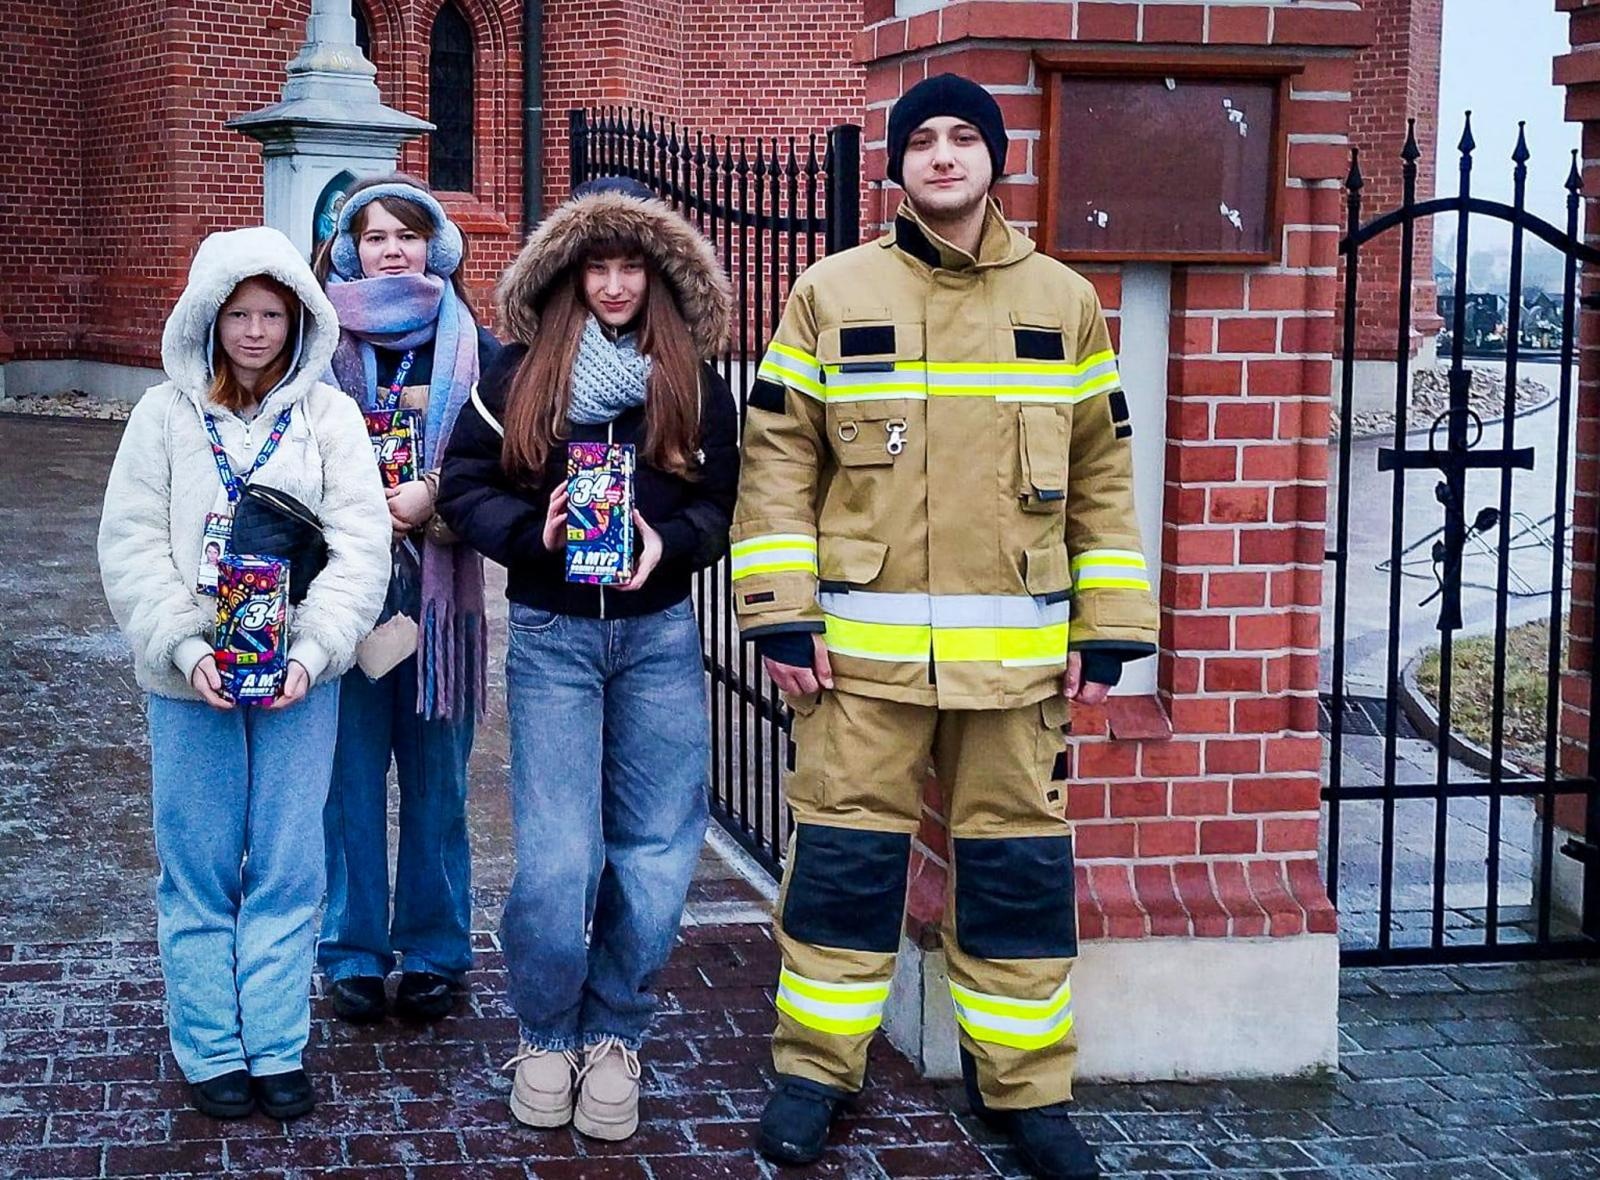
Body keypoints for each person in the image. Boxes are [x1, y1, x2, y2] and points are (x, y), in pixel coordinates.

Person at [731, 74, 1158, 1180]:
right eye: (921, 140)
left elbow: (1104, 478)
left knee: (1017, 879)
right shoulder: (829, 291)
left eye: (964, 137)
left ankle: (1027, 1090)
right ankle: (815, 1071)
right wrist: (780, 618)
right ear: (897, 166)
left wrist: (1106, 628)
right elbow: (776, 464)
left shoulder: (1063, 301)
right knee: (841, 869)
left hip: (1018, 671)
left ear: (994, 159)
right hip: (858, 670)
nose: (943, 155)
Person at [437, 177, 737, 1142]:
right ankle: (546, 1030)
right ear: (569, 277)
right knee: (559, 858)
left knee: (654, 847)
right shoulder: (517, 375)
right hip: (555, 638)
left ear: (657, 278)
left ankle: (615, 1031)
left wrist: (671, 544)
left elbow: (721, 505)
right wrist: (539, 533)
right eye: (597, 267)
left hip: (655, 636)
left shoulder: (691, 381)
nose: (613, 285)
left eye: (630, 268)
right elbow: (464, 488)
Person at [98, 226, 390, 1120]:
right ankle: (210, 1044)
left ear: (300, 319)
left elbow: (360, 545)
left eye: (272, 314)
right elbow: (134, 544)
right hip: (192, 686)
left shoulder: (330, 417)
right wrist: (184, 647)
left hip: (300, 681)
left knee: (290, 865)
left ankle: (273, 1041)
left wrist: (314, 652)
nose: (256, 332)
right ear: (208, 318)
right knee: (200, 866)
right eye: (239, 314)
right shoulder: (163, 417)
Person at [312, 175, 501, 1025]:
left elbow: (507, 463)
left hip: (438, 600)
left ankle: (432, 950)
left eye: (409, 234)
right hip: (344, 597)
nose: (393, 248)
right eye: (376, 235)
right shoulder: (315, 347)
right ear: (353, 248)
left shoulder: (476, 348)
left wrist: (436, 497)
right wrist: (358, 514)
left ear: (436, 247)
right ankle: (352, 949)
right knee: (346, 786)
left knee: (437, 789)